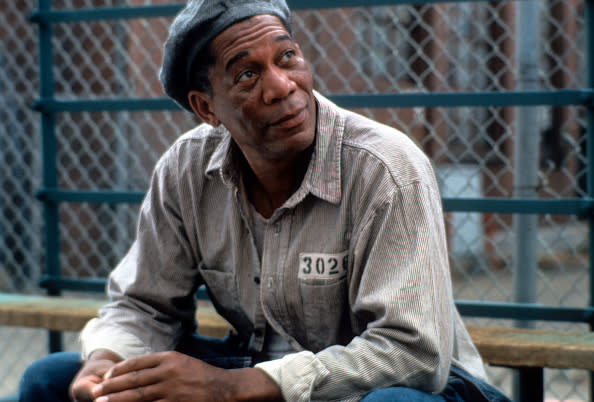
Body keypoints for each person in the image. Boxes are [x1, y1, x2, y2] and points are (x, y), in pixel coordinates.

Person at [19, 0, 511, 401]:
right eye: (247, 75)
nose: (282, 86)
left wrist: (233, 388)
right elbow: (144, 305)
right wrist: (107, 361)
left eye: (287, 57)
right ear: (205, 107)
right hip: (258, 374)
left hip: (412, 390)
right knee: (52, 378)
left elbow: (414, 355)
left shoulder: (384, 167)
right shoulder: (186, 169)